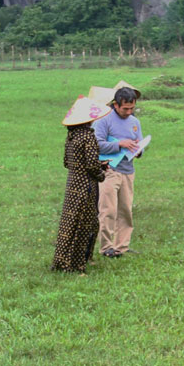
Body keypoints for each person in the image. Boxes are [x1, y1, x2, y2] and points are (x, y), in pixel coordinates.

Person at [52, 95, 111, 274]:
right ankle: (77, 265)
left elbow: (67, 162)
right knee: (85, 224)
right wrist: (101, 173)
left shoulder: (72, 135)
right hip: (86, 186)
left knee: (69, 223)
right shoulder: (88, 136)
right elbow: (92, 164)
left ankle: (61, 261)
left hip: (73, 185)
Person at [94, 82, 143, 257]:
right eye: (125, 109)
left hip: (128, 170)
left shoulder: (135, 122)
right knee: (108, 210)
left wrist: (138, 151)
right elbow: (96, 145)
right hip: (109, 169)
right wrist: (119, 144)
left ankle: (122, 246)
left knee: (125, 210)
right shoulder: (103, 120)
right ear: (116, 105)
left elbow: (139, 144)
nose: (129, 112)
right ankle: (106, 247)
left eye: (132, 108)